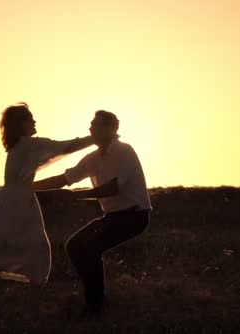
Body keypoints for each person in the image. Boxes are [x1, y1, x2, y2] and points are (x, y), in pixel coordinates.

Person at [0, 103, 94, 307]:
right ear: (21, 123)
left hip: (8, 201)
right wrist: (96, 139)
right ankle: (35, 299)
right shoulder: (29, 145)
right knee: (38, 250)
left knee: (4, 252)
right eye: (30, 118)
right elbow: (66, 146)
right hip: (17, 204)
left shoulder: (19, 146)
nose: (34, 121)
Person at [32, 110, 151, 316]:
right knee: (75, 246)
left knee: (91, 248)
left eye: (95, 125)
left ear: (111, 129)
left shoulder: (124, 151)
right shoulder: (92, 158)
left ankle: (95, 304)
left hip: (134, 216)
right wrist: (27, 187)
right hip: (113, 216)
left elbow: (112, 188)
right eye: (91, 124)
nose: (90, 129)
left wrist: (75, 196)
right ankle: (96, 298)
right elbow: (65, 178)